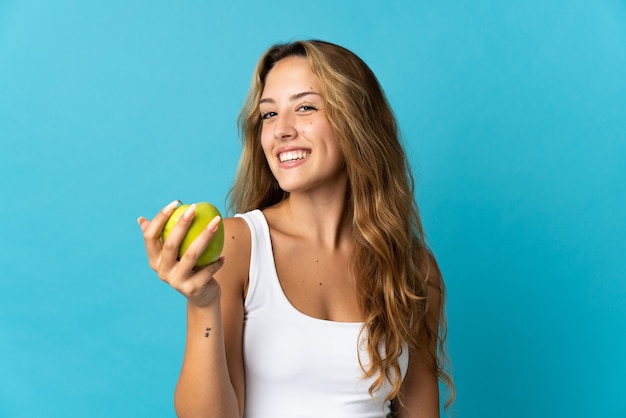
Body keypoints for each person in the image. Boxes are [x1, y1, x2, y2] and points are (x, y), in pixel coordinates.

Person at [138, 39, 454, 418]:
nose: (281, 130)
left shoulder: (413, 270)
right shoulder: (240, 245)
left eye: (305, 107)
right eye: (269, 115)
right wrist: (202, 304)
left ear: (357, 122)